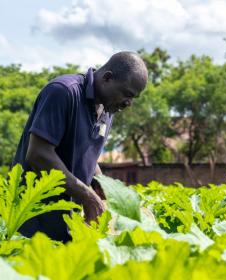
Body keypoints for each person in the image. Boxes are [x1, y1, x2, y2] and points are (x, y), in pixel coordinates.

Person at [11, 51, 148, 243]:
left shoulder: (107, 110)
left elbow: (87, 158)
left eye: (133, 98)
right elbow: (39, 154)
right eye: (127, 94)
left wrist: (103, 187)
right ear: (107, 78)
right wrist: (88, 197)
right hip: (34, 220)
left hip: (69, 221)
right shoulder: (63, 92)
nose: (129, 103)